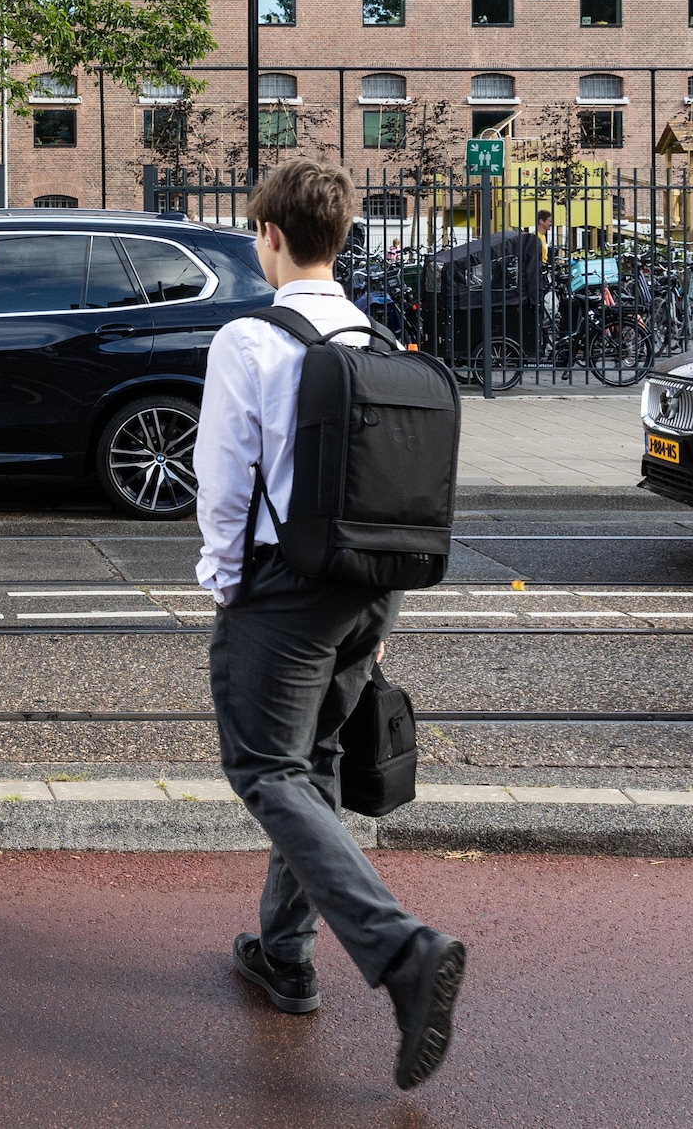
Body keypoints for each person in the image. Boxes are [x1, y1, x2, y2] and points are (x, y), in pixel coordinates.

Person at [193, 157, 466, 1092]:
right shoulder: (377, 338)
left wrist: (226, 585)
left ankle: (402, 951)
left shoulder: (249, 339)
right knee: (308, 768)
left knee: (264, 768)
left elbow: (224, 482)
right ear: (340, 237)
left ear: (269, 235)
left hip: (285, 590)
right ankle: (284, 954)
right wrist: (377, 616)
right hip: (370, 590)